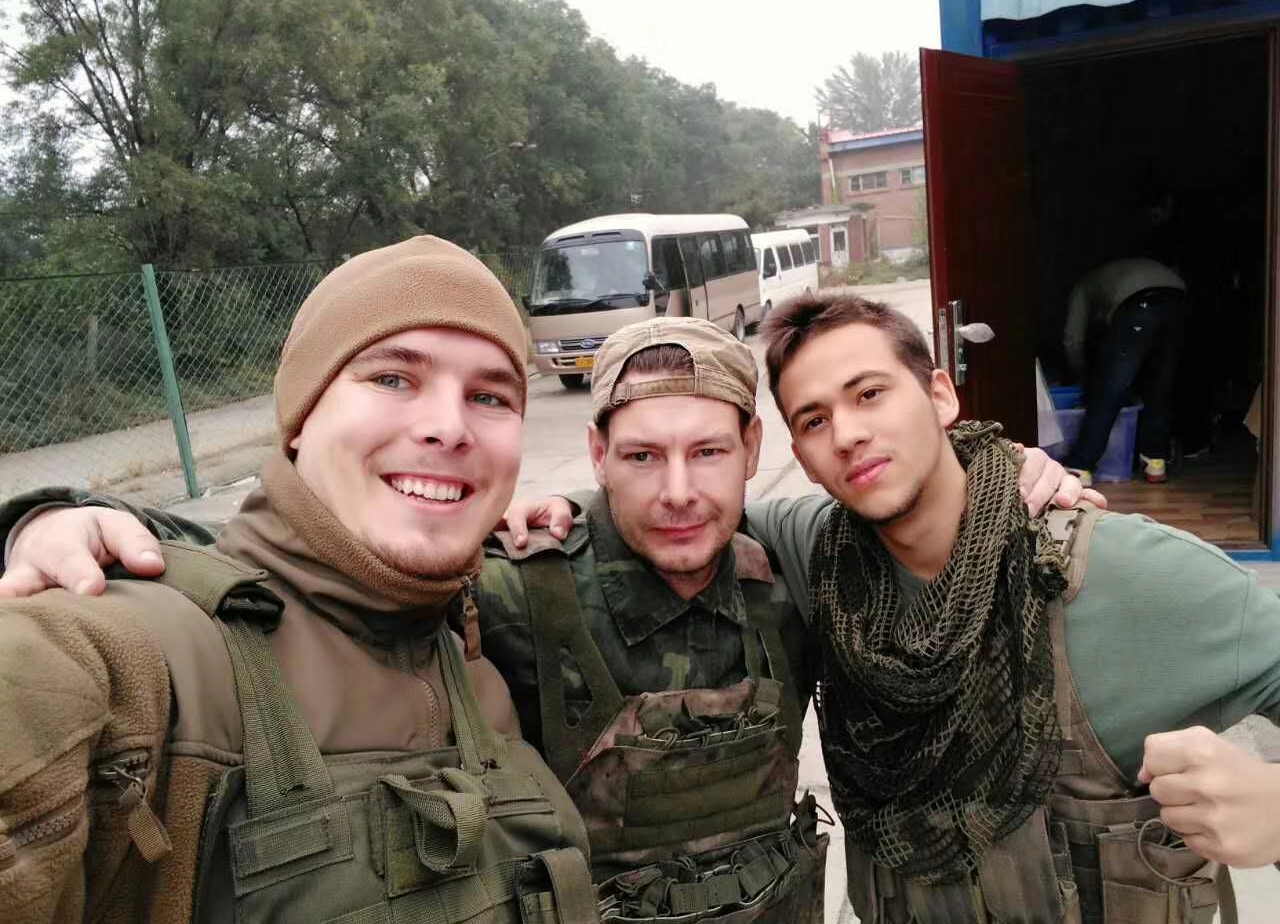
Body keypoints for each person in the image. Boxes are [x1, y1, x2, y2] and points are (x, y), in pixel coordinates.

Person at [0, 318, 1089, 923]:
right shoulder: (513, 584)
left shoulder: (796, 569)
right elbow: (304, 562)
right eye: (640, 456)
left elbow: (915, 511)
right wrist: (59, 516)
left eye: (709, 453)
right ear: (597, 454)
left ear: (752, 453)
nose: (678, 492)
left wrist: (1006, 471)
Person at [0, 237, 596, 924]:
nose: (448, 427)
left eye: (489, 396)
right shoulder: (132, 653)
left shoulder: (476, 642)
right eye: (392, 379)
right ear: (300, 418)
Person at [748, 291, 1280, 923]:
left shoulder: (1131, 574)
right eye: (814, 421)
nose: (848, 434)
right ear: (802, 460)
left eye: (870, 393)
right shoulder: (823, 554)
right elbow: (686, 501)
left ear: (940, 396)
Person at [1062, 256, 1186, 485]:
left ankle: (1081, 465)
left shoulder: (1084, 285)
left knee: (1109, 389)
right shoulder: (1118, 274)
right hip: (1178, 301)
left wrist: (1079, 372)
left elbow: (1073, 339)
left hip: (1140, 304)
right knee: (1160, 386)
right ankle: (1155, 461)